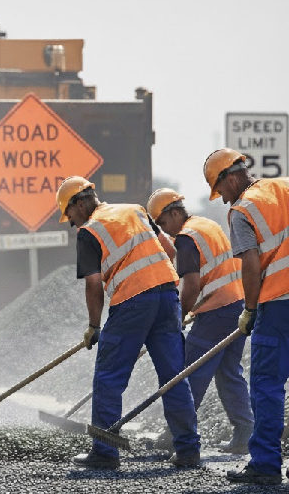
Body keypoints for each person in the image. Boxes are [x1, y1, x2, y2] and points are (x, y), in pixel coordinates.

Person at [56, 176, 200, 469]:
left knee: (108, 377)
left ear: (80, 204)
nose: (72, 223)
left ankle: (105, 452)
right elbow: (170, 252)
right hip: (167, 297)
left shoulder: (89, 232)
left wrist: (94, 326)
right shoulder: (135, 210)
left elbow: (94, 285)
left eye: (70, 216)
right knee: (173, 376)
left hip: (133, 302)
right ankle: (188, 450)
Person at [203, 148, 289, 486]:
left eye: (219, 189)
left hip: (278, 305)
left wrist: (250, 309)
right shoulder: (283, 187)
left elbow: (251, 265)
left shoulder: (243, 210)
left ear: (231, 177)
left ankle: (266, 465)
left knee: (267, 385)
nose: (222, 199)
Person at [147, 188, 253, 454]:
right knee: (229, 373)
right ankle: (245, 436)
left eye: (163, 223)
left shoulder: (186, 237)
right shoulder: (206, 224)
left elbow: (191, 284)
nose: (166, 230)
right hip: (235, 305)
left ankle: (175, 435)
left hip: (217, 311)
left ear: (173, 213)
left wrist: (178, 317)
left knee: (188, 372)